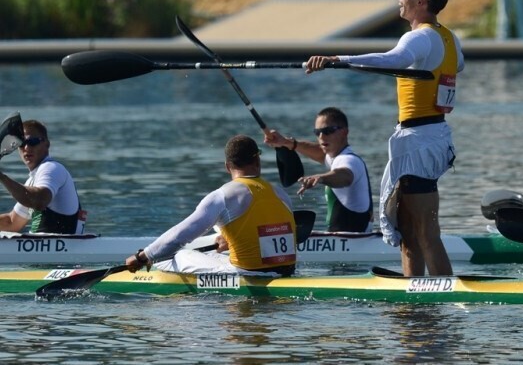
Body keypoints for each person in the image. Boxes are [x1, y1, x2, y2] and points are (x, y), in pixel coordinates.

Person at [304, 0, 464, 277]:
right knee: (408, 232)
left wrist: (339, 60)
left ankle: (437, 299)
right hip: (429, 137)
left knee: (425, 231)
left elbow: (395, 59)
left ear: (422, 2)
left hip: (418, 141)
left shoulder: (419, 36)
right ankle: (414, 303)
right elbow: (457, 65)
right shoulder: (448, 37)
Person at [125, 135, 297, 276]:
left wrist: (143, 256)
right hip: (287, 270)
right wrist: (230, 240)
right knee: (211, 254)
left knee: (173, 255)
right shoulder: (280, 193)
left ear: (228, 167)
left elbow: (180, 236)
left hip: (249, 273)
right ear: (258, 161)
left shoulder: (223, 195)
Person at [264, 107, 373, 233]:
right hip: (346, 240)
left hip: (352, 243)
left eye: (328, 131)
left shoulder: (349, 161)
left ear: (344, 132)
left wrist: (321, 178)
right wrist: (286, 142)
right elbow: (319, 153)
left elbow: (345, 176)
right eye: (317, 132)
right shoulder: (336, 156)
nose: (321, 137)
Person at [0, 120, 85, 234]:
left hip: (62, 248)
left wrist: (2, 177)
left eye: (33, 141)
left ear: (47, 144)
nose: (26, 147)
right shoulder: (32, 181)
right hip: (43, 247)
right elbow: (12, 222)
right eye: (21, 143)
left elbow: (39, 200)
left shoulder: (52, 168)